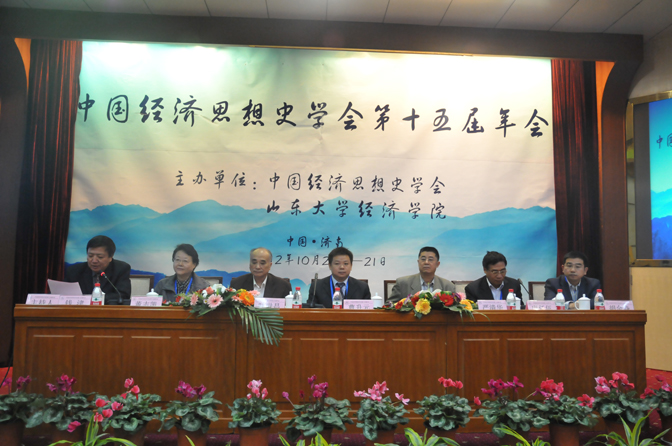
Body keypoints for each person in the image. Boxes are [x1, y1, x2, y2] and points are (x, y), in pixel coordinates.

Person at [64, 235, 131, 305]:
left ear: (110, 257)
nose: (94, 261)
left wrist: (96, 299)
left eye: (100, 257)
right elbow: (64, 294)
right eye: (90, 256)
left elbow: (123, 295)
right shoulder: (74, 271)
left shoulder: (120, 269)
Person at [388, 247, 455, 302]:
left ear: (437, 264)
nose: (426, 262)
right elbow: (389, 307)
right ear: (418, 262)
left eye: (430, 259)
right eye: (423, 259)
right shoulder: (402, 283)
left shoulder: (448, 286)